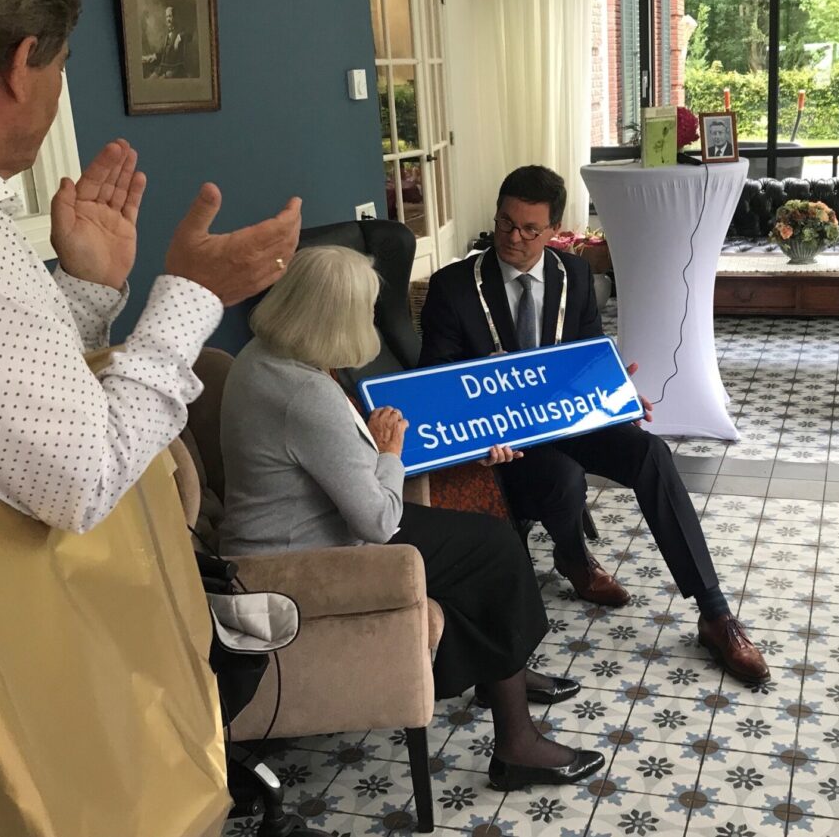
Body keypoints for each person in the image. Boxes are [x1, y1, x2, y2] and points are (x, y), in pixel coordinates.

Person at [0, 0, 300, 836]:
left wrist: (90, 292)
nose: (58, 85)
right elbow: (79, 473)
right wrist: (189, 297)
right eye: (59, 62)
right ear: (23, 62)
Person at [216, 246, 606, 792]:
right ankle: (517, 742)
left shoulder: (261, 355)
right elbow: (379, 521)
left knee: (483, 548)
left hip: (290, 533)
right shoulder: (306, 395)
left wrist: (383, 452)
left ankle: (502, 673)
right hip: (308, 559)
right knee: (495, 549)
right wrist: (389, 452)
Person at [419, 165, 769, 685]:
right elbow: (435, 382)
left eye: (529, 229)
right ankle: (574, 557)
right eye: (504, 223)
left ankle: (715, 613)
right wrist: (477, 433)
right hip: (507, 435)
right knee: (562, 478)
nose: (513, 238)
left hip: (568, 416)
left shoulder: (575, 274)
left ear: (554, 230)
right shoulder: (454, 287)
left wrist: (615, 394)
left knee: (651, 453)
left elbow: (586, 357)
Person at [142, 4, 191, 78]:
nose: (168, 19)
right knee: (150, 79)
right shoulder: (166, 34)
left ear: (174, 17)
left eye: (170, 16)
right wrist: (151, 57)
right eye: (167, 16)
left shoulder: (180, 30)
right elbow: (164, 53)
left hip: (174, 70)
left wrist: (180, 36)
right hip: (162, 68)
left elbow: (190, 34)